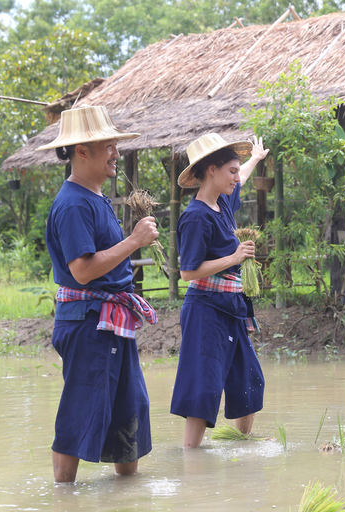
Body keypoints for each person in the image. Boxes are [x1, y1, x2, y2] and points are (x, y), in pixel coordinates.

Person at [38, 105, 159, 482]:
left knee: (130, 408)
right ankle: (63, 499)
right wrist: (134, 241)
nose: (116, 154)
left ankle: (128, 495)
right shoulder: (73, 203)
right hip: (90, 322)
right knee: (81, 409)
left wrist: (129, 242)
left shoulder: (94, 198)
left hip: (111, 321)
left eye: (115, 145)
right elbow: (84, 270)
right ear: (82, 151)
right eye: (107, 145)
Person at [171, 132, 269, 448]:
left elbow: (241, 180)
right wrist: (234, 256)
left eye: (237, 170)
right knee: (203, 387)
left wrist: (255, 158)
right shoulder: (196, 217)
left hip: (231, 307)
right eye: (231, 170)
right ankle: (191, 458)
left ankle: (241, 448)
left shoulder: (222, 203)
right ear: (211, 170)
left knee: (250, 381)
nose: (236, 177)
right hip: (205, 308)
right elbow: (187, 271)